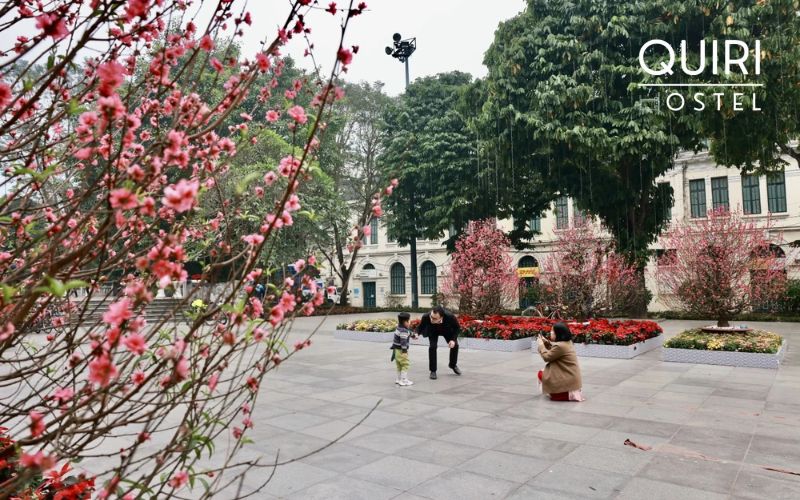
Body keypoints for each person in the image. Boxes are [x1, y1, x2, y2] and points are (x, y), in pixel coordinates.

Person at [536, 322, 585, 401]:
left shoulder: (560, 346)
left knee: (541, 374)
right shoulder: (567, 343)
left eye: (552, 331)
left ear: (558, 334)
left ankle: (557, 391)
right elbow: (554, 350)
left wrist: (541, 345)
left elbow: (547, 357)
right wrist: (545, 342)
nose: (550, 332)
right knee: (544, 373)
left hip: (568, 381)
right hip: (572, 380)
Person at [417, 306, 461, 380]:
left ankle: (453, 365)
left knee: (455, 345)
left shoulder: (450, 316)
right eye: (431, 316)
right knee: (432, 347)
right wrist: (416, 333)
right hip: (433, 330)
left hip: (445, 330)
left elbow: (457, 328)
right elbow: (420, 327)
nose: (432, 319)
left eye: (435, 318)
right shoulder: (426, 316)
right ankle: (433, 371)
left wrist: (453, 340)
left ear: (441, 317)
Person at [390, 312, 417, 386]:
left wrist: (413, 335)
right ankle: (404, 380)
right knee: (405, 364)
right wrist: (404, 352)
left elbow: (408, 332)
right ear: (404, 322)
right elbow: (403, 342)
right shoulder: (403, 331)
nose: (409, 323)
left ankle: (399, 379)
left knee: (399, 365)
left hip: (396, 350)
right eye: (408, 321)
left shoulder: (399, 328)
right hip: (401, 351)